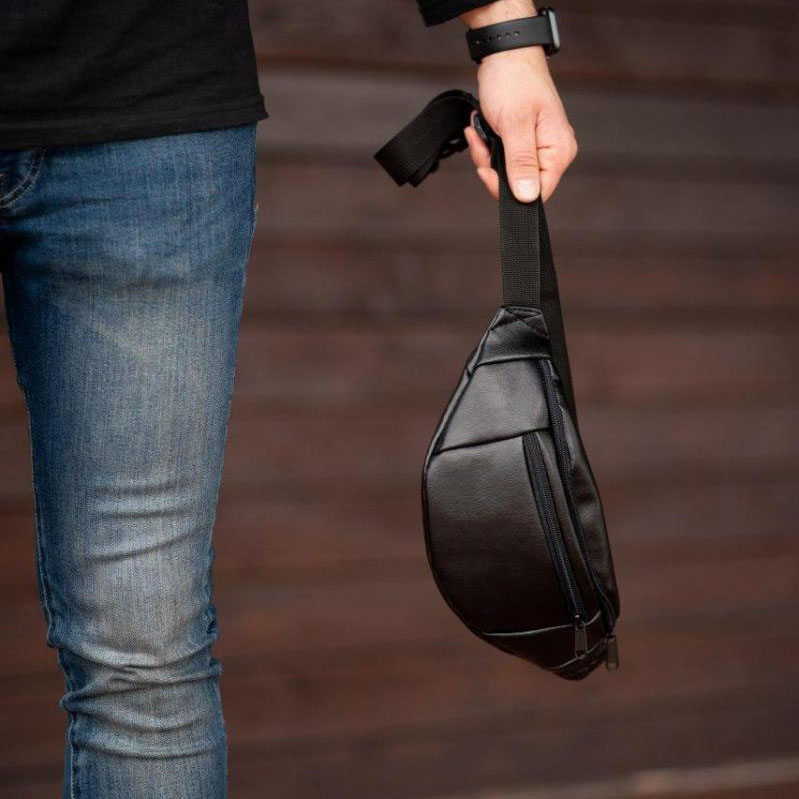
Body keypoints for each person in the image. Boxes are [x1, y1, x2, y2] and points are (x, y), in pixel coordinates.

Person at [0, 0, 577, 795]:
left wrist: (507, 31)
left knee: (144, 655)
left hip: (148, 110)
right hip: (151, 120)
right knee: (142, 665)